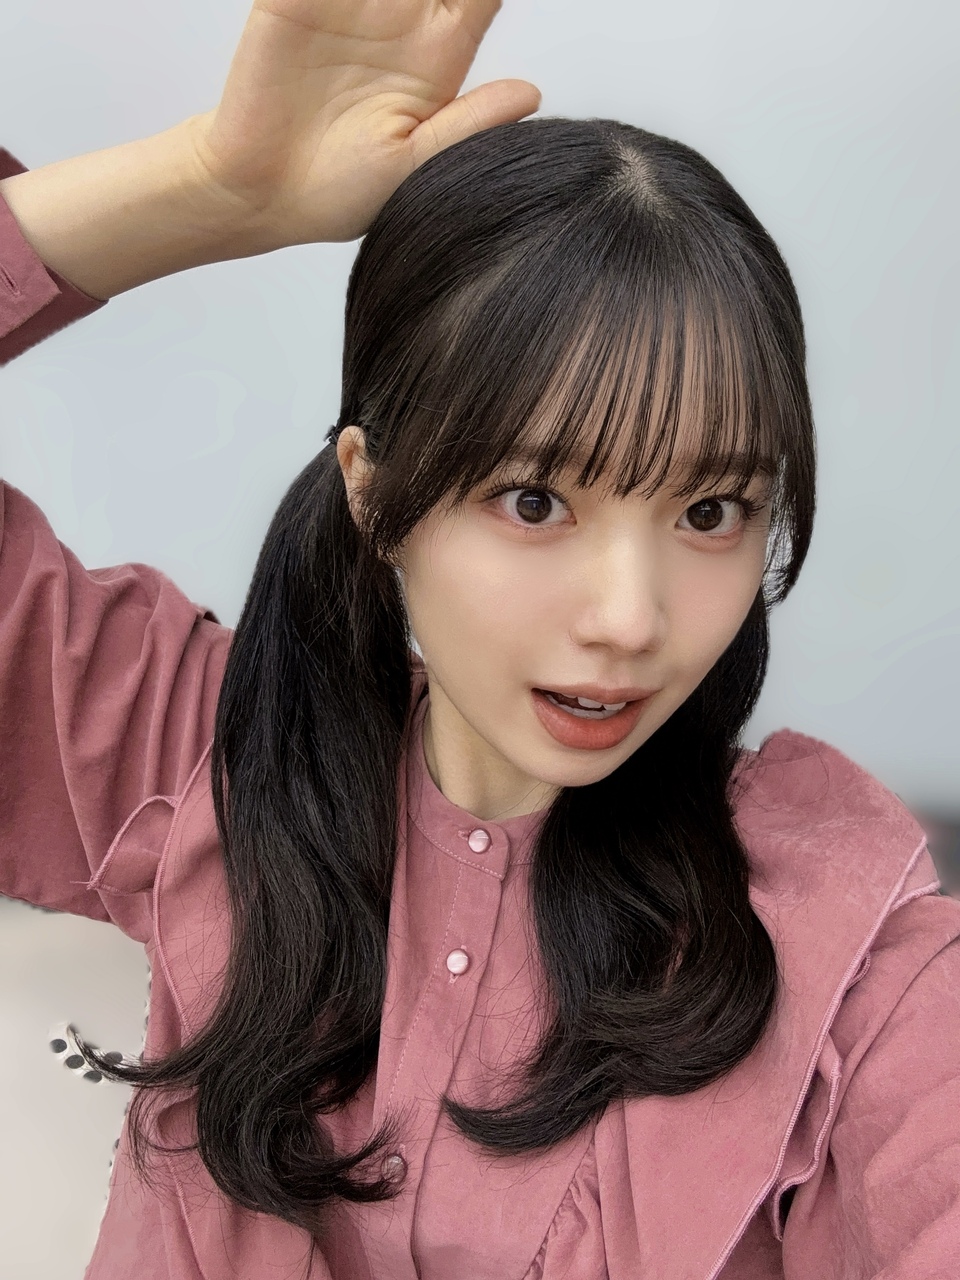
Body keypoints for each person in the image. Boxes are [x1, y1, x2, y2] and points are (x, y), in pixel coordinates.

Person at [1, 1, 958, 1276]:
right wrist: (209, 188)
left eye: (711, 511)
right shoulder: (195, 751)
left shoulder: (850, 959)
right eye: (536, 500)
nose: (630, 618)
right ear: (373, 491)